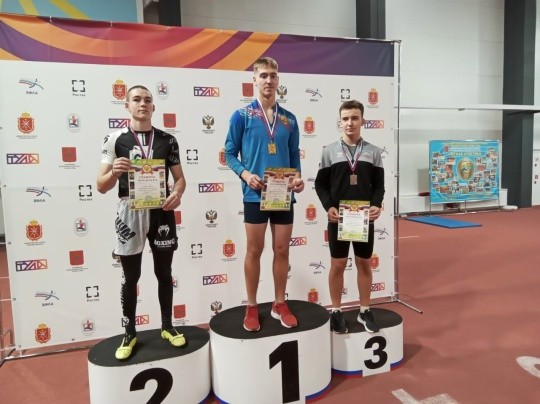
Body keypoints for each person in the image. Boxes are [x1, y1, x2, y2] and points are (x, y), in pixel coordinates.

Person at [97, 85, 187, 360]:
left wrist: (177, 194)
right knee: (131, 276)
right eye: (136, 99)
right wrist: (114, 172)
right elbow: (101, 185)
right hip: (130, 210)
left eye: (148, 100)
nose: (143, 104)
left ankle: (167, 326)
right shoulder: (114, 139)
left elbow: (180, 180)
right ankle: (129, 333)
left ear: (153, 107)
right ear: (127, 105)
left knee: (164, 272)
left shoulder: (168, 140)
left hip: (161, 210)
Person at [225, 56, 305, 332]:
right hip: (254, 194)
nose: (269, 80)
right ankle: (251, 305)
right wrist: (245, 174)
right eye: (263, 75)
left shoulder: (289, 119)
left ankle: (279, 303)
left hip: (283, 195)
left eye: (273, 75)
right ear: (254, 80)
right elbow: (229, 154)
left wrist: (297, 177)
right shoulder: (242, 116)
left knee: (282, 249)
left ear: (278, 80)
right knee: (254, 250)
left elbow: (294, 154)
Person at [315, 100, 385, 334]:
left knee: (364, 263)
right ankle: (336, 311)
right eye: (345, 118)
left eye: (355, 118)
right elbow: (321, 184)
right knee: (338, 264)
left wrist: (376, 205)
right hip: (338, 218)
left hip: (364, 218)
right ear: (340, 121)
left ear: (363, 120)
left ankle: (364, 310)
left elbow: (379, 186)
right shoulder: (329, 151)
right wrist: (328, 207)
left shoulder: (373, 152)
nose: (350, 123)